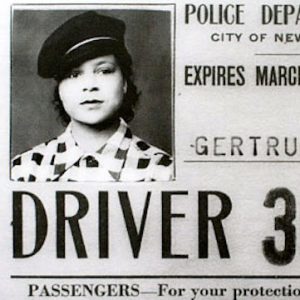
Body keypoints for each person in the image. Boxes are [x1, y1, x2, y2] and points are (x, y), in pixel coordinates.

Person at [11, 11, 173, 182]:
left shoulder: (163, 172)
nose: (90, 86)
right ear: (59, 89)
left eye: (104, 71)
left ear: (125, 82)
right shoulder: (24, 171)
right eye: (74, 74)